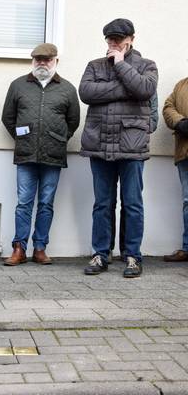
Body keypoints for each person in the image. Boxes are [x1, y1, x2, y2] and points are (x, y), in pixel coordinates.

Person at [79, 18, 158, 278]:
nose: (114, 43)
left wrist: (122, 66)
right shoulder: (94, 65)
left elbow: (144, 89)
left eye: (119, 39)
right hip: (100, 143)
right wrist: (125, 89)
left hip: (132, 145)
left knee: (132, 204)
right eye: (110, 39)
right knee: (103, 204)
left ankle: (132, 256)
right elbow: (87, 93)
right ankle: (101, 254)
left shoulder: (147, 66)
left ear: (131, 39)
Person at [1, 43, 80, 266]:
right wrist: (22, 138)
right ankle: (19, 248)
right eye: (38, 59)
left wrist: (58, 139)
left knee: (46, 203)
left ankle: (40, 248)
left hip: (53, 156)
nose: (42, 63)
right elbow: (8, 118)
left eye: (47, 59)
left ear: (56, 61)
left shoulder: (67, 89)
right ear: (32, 61)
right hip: (25, 155)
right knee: (24, 202)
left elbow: (73, 122)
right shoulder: (18, 86)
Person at [109, 93, 158, 262]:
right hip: (108, 148)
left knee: (131, 203)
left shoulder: (145, 81)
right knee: (106, 203)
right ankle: (106, 250)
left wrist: (136, 132)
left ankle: (129, 251)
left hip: (134, 151)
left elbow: (153, 117)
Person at [163, 78, 188, 262]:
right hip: (185, 152)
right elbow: (168, 107)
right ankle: (187, 248)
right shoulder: (181, 85)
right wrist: (180, 122)